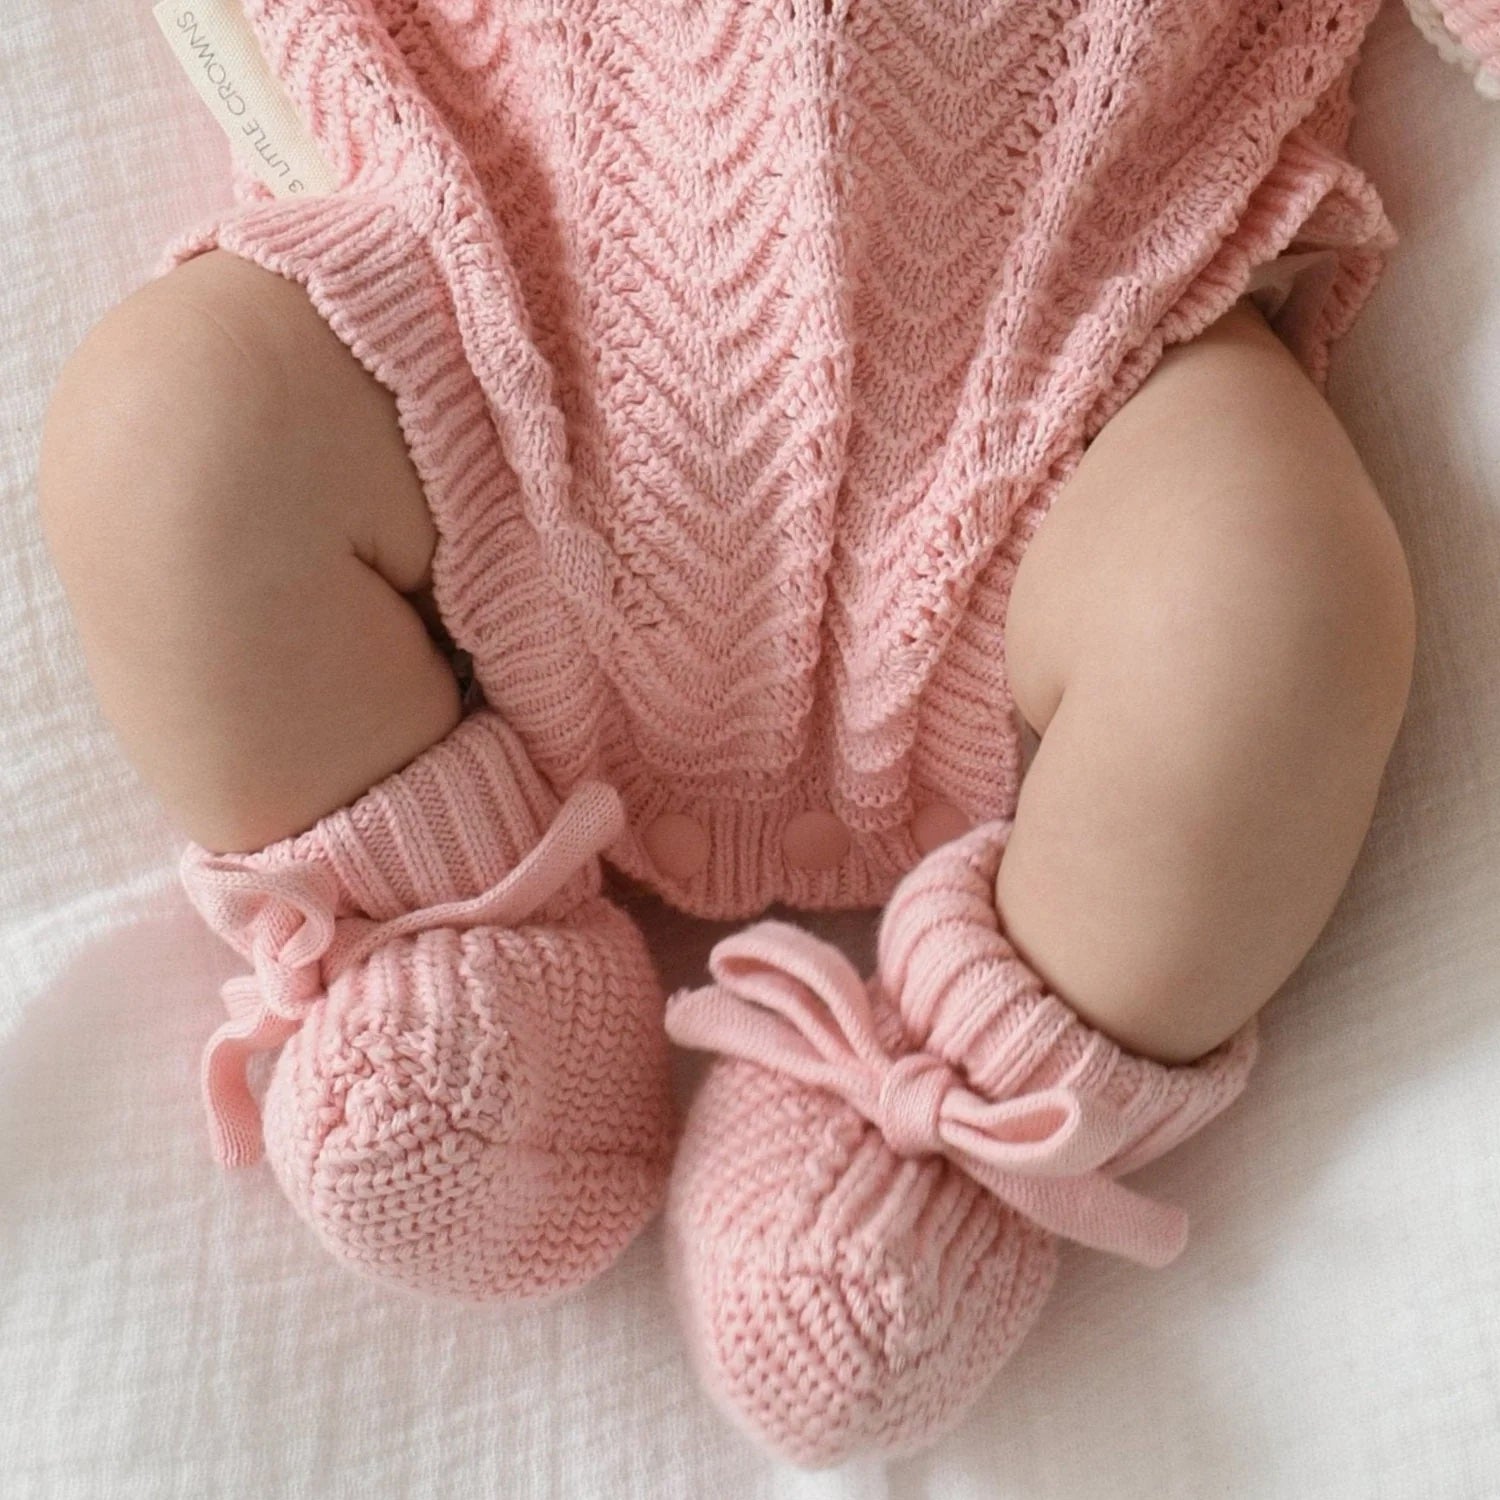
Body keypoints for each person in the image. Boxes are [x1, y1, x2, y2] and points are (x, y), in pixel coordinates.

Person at [39, 0, 1452, 1466]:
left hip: (1065, 358)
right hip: (480, 307)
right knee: (167, 436)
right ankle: (448, 976)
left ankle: (939, 1115)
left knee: (1275, 608)